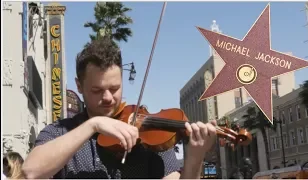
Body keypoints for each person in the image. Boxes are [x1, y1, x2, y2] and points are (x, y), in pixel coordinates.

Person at [22, 37, 218, 179]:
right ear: (79, 86)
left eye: (114, 88)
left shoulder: (151, 135)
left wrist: (194, 158)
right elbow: (31, 171)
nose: (108, 98)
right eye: (97, 90)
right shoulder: (60, 131)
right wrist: (94, 125)